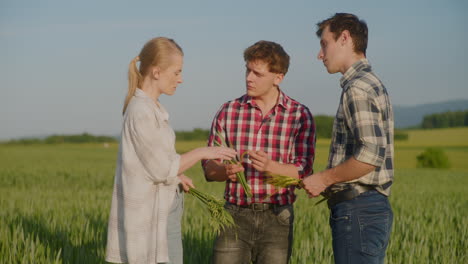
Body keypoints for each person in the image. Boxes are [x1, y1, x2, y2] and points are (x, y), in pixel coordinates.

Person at [105, 37, 237, 264]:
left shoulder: (151, 108)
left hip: (164, 213)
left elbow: (153, 163)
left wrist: (177, 176)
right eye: (176, 72)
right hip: (152, 218)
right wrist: (203, 152)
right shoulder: (141, 111)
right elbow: (161, 168)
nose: (181, 79)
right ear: (156, 72)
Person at [202, 40, 315, 264]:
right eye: (247, 70)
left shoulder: (299, 115)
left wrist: (270, 167)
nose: (249, 78)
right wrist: (225, 172)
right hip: (233, 214)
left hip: (278, 217)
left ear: (278, 77)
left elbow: (303, 172)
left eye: (257, 73)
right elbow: (208, 169)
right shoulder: (228, 111)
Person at [302, 13, 394, 264]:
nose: (320, 54)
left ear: (344, 38)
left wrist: (323, 178)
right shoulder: (369, 83)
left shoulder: (358, 87)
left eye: (324, 44)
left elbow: (370, 155)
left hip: (359, 209)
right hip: (367, 210)